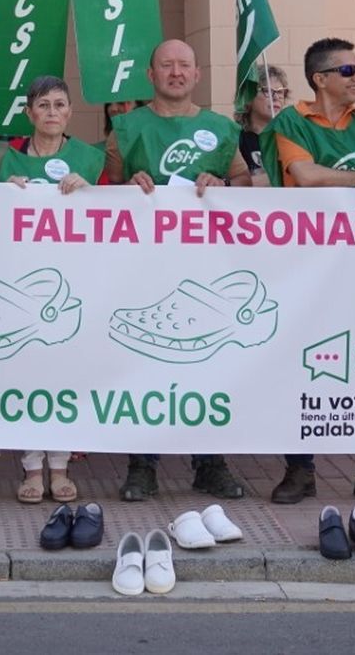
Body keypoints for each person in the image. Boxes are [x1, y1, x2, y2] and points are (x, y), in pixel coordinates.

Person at [262, 37, 355, 507]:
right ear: (320, 79)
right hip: (305, 264)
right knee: (299, 363)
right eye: (348, 71)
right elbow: (304, 176)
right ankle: (300, 469)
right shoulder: (291, 120)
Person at [103, 39, 250, 503]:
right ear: (150, 75)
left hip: (205, 271)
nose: (176, 72)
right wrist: (126, 186)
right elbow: (101, 191)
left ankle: (211, 464)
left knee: (207, 365)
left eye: (184, 64)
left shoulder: (221, 127)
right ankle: (142, 466)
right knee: (143, 365)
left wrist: (223, 184)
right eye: (165, 64)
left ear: (198, 73)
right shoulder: (124, 127)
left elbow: (245, 184)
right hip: (144, 268)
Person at [0, 75, 102, 504]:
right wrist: (0, 194)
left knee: (64, 375)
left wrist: (89, 191)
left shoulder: (89, 158)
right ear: (29, 112)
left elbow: (115, 213)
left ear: (70, 111)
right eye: (43, 105)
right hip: (19, 282)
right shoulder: (2, 157)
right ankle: (32, 468)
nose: (52, 112)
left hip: (70, 286)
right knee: (26, 374)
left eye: (59, 104)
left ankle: (60, 467)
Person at [234, 66, 290, 186]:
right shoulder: (236, 138)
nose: (276, 97)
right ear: (248, 98)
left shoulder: (291, 136)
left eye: (280, 92)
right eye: (267, 91)